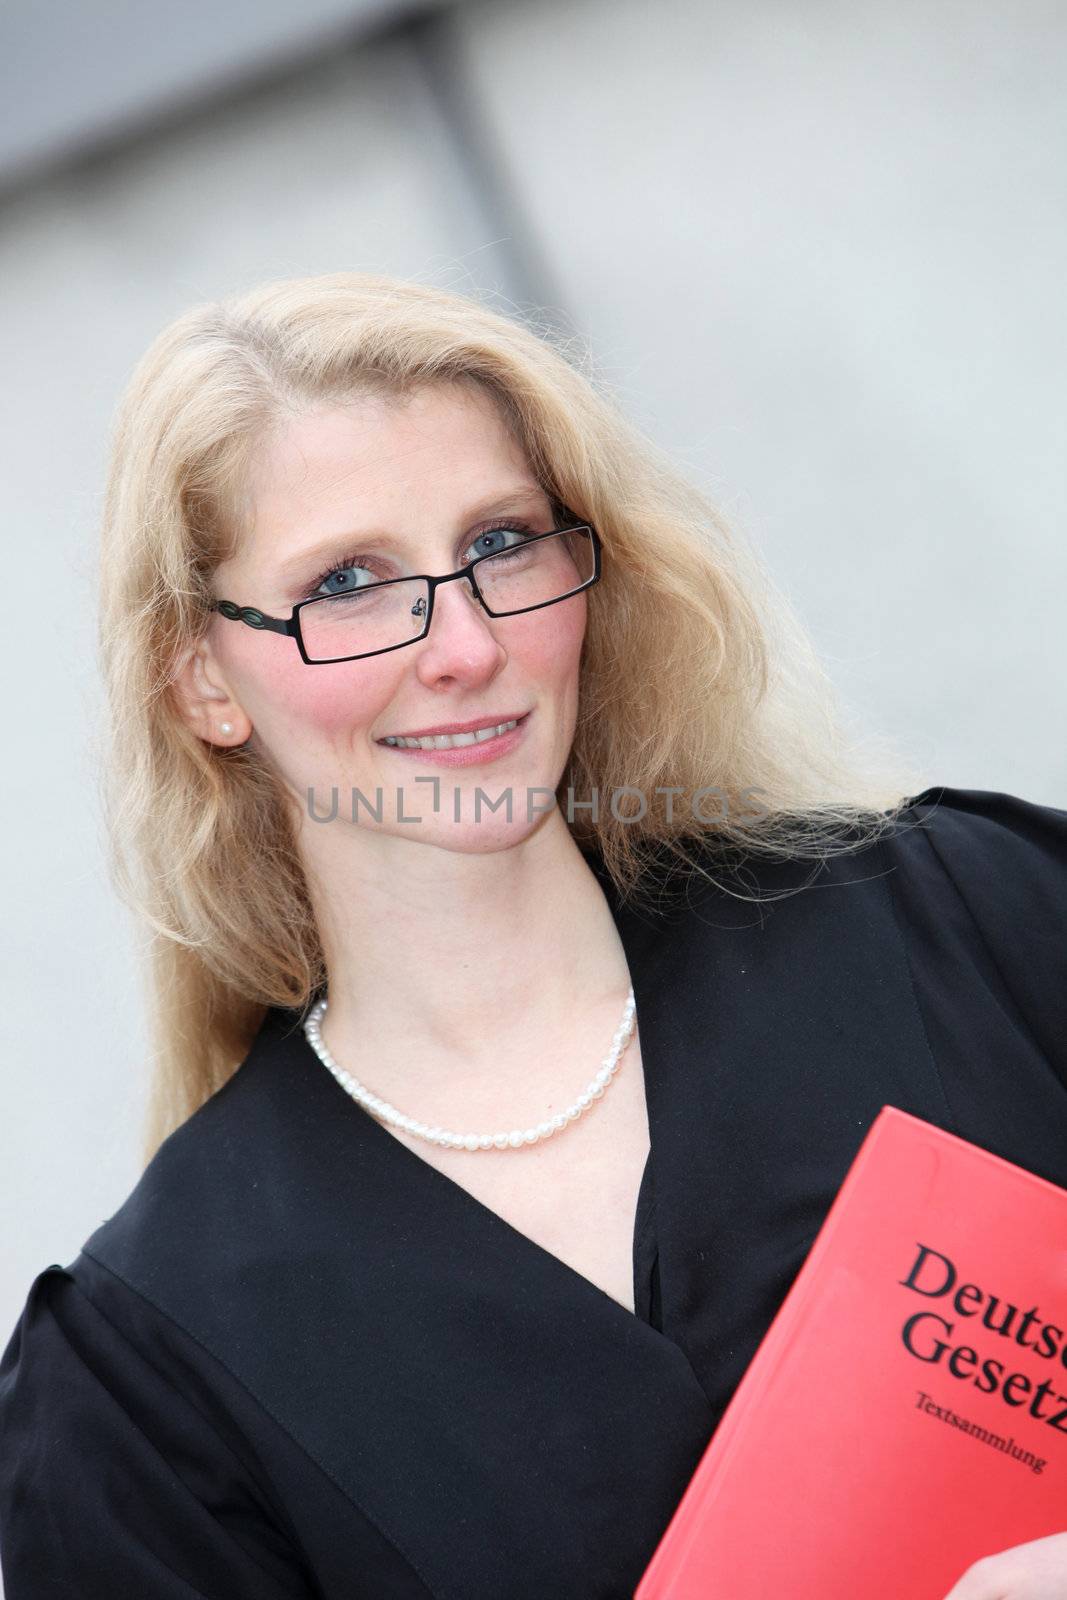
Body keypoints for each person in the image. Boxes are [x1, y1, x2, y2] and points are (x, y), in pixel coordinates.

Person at [1, 272, 1065, 1600]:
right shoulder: (152, 1384)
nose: (462, 645)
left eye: (502, 543)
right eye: (349, 581)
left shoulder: (975, 924)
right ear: (205, 680)